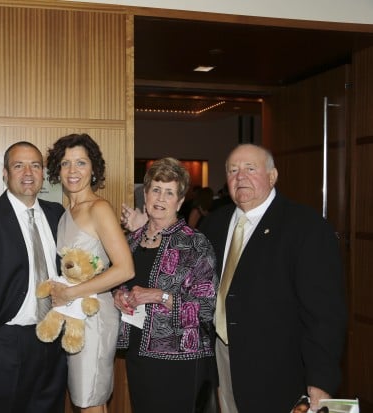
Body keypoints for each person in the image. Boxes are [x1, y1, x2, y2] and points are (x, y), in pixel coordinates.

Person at [121, 143, 347, 413]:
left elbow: (325, 313)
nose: (240, 177)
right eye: (233, 170)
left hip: (278, 366)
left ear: (272, 176)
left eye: (250, 169)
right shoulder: (216, 223)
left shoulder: (305, 227)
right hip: (222, 356)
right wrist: (145, 229)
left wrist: (321, 380)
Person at [0, 141, 67, 413]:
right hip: (5, 342)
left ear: (43, 174)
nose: (28, 172)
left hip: (53, 340)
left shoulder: (58, 215)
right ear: (5, 173)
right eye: (19, 166)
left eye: (35, 166)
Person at [112, 157, 218, 413]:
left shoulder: (195, 243)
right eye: (156, 189)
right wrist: (117, 295)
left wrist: (160, 296)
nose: (160, 198)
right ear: (145, 194)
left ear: (179, 202)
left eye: (169, 192)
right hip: (138, 354)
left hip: (180, 360)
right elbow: (118, 283)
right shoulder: (131, 242)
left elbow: (206, 308)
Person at [45, 133, 135, 413]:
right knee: (89, 400)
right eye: (66, 163)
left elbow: (125, 268)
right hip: (75, 314)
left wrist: (71, 293)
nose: (73, 170)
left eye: (81, 163)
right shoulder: (66, 212)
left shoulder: (99, 208)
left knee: (88, 400)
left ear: (94, 169)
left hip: (94, 316)